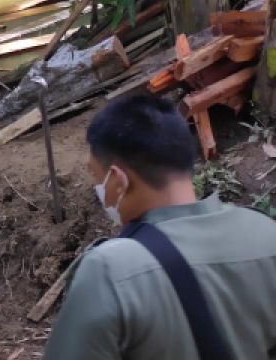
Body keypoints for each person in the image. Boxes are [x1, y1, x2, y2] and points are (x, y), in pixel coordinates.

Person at [44, 94, 276, 359]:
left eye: (98, 177)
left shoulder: (109, 270)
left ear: (119, 180)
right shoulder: (265, 233)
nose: (98, 188)